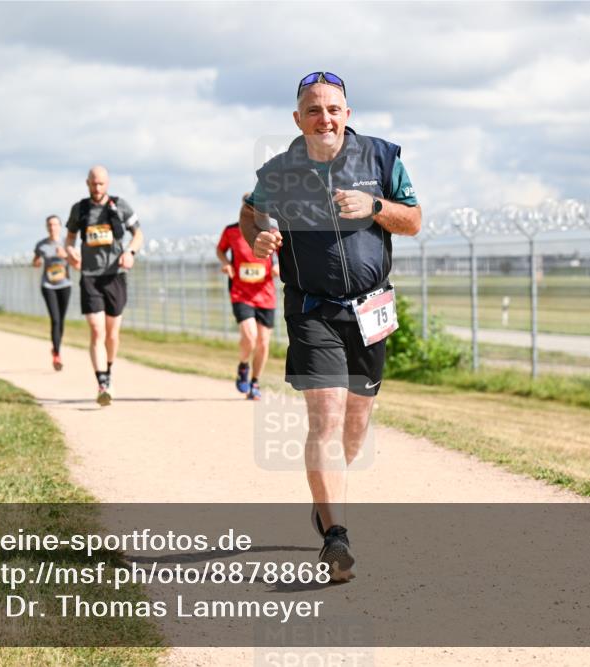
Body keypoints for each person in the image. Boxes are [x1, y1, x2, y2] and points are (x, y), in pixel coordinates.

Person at [240, 71, 421, 581]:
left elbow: (414, 220)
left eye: (333, 109)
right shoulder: (279, 171)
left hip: (370, 309)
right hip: (311, 308)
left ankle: (326, 502)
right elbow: (250, 213)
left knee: (355, 426)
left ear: (348, 114)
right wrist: (258, 237)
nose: (325, 118)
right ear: (298, 119)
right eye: (314, 110)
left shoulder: (382, 158)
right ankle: (336, 537)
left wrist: (376, 206)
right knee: (325, 417)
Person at [64, 165, 144, 406]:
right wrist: (70, 252)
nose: (97, 188)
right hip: (90, 276)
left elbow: (138, 234)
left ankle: (108, 371)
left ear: (107, 184)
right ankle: (102, 384)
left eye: (101, 184)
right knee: (97, 330)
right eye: (93, 183)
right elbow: (69, 239)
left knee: (112, 334)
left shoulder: (120, 206)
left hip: (115, 276)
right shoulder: (80, 209)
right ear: (87, 183)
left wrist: (130, 252)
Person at [216, 194, 279, 400]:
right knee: (250, 337)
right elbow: (220, 250)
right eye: (249, 207)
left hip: (265, 294)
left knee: (263, 342)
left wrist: (278, 267)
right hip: (241, 293)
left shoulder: (272, 231)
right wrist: (226, 264)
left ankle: (255, 383)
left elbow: (282, 255)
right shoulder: (231, 231)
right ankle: (243, 366)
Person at [33, 215, 73, 371]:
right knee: (55, 319)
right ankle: (57, 354)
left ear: (60, 226)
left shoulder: (67, 243)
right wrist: (36, 262)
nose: (52, 227)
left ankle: (56, 347)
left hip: (65, 284)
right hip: (48, 285)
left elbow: (77, 262)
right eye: (49, 224)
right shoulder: (41, 245)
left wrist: (66, 255)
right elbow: (35, 262)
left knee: (61, 320)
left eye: (55, 224)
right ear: (46, 227)